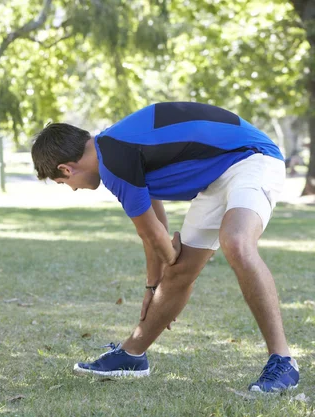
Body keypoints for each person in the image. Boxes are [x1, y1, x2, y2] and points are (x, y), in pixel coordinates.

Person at [30, 102, 299, 393]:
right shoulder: (114, 147)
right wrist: (154, 284)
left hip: (251, 159)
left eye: (64, 182)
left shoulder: (114, 161)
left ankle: (283, 361)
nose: (72, 188)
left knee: (236, 242)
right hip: (217, 176)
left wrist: (169, 259)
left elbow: (153, 236)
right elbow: (154, 225)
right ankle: (132, 356)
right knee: (180, 272)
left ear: (66, 169)